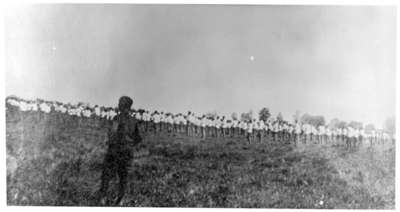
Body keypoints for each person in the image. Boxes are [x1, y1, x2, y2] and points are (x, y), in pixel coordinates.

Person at [97, 96, 142, 205]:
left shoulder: (117, 118)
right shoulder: (133, 121)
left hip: (115, 150)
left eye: (119, 103)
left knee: (107, 173)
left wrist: (111, 146)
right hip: (127, 151)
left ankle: (103, 197)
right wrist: (130, 145)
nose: (118, 105)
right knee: (123, 176)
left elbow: (112, 134)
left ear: (122, 106)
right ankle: (120, 199)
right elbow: (138, 138)